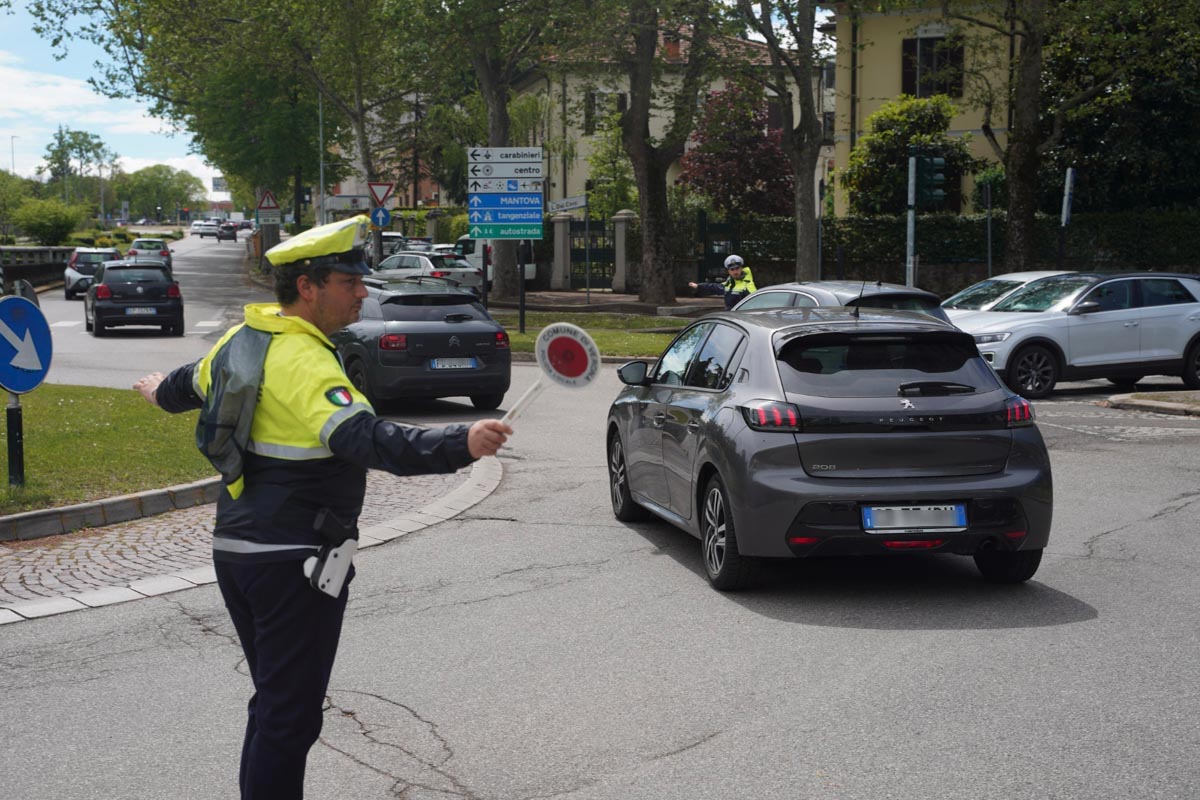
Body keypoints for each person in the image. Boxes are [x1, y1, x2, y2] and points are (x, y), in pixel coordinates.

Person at [133, 214, 512, 800]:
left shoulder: (242, 340)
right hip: (294, 561)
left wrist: (157, 391)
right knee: (290, 717)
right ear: (307, 287)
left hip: (237, 554)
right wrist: (459, 442)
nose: (362, 291)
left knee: (275, 704)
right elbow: (366, 440)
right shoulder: (306, 361)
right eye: (348, 282)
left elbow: (185, 384)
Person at [687, 254, 757, 309]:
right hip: (731, 318)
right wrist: (699, 286)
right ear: (728, 271)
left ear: (741, 268)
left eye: (737, 268)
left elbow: (756, 302)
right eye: (732, 269)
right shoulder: (729, 284)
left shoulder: (748, 285)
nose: (735, 271)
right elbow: (714, 287)